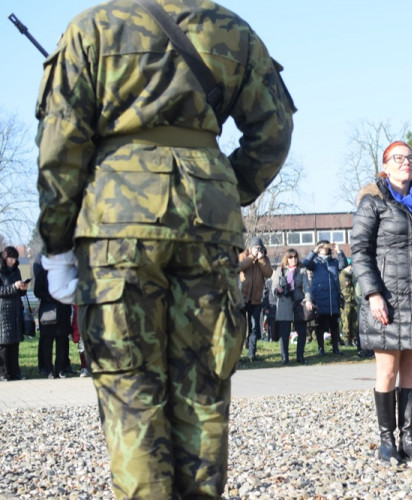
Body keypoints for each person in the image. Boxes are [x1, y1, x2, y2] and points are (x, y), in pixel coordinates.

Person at [35, 1, 294, 497]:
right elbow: (274, 130)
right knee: (203, 390)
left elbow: (60, 146)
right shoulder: (231, 28)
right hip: (207, 226)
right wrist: (218, 189)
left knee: (129, 391)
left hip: (117, 225)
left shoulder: (93, 26)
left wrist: (56, 244)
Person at [350, 140, 412, 464]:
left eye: (410, 157)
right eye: (398, 158)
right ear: (386, 164)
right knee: (388, 368)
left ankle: (408, 440)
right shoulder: (373, 202)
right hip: (387, 300)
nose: (406, 162)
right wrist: (373, 293)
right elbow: (360, 252)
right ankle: (386, 442)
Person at [302, 240, 347, 355]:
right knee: (320, 325)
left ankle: (335, 348)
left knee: (334, 325)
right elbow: (305, 263)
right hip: (319, 298)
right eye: (321, 246)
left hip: (332, 298)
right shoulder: (315, 262)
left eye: (326, 246)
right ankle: (321, 348)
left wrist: (339, 251)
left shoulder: (334, 262)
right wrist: (314, 251)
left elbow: (344, 265)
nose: (324, 248)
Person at [33, 255, 73, 379]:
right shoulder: (42, 273)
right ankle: (49, 369)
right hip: (48, 312)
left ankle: (60, 369)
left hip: (62, 311)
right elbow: (37, 291)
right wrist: (50, 296)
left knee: (62, 342)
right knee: (47, 343)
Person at [271, 249, 312, 365]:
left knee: (302, 332)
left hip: (298, 303)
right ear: (286, 258)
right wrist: (277, 290)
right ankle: (285, 357)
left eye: (295, 257)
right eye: (290, 257)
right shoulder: (280, 270)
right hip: (284, 303)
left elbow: (307, 288)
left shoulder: (302, 270)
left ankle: (300, 356)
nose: (293, 259)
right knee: (284, 333)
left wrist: (308, 300)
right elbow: (273, 287)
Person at [239, 237, 274, 361]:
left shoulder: (264, 259)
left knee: (254, 328)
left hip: (256, 299)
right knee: (241, 328)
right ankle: (237, 355)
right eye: (255, 248)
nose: (258, 250)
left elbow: (269, 273)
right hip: (242, 298)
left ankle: (251, 354)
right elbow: (239, 267)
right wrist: (251, 257)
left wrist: (261, 259)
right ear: (250, 248)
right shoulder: (243, 256)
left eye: (259, 247)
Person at [0, 247, 29, 381]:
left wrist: (23, 288)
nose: (13, 261)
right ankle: (4, 373)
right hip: (3, 311)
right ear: (5, 258)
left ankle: (15, 372)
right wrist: (13, 287)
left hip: (16, 310)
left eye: (15, 258)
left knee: (15, 343)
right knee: (5, 344)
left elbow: (19, 291)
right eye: (11, 258)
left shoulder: (17, 270)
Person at [339, 258, 358, 347]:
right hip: (346, 301)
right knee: (346, 321)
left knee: (354, 321)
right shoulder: (343, 275)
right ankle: (346, 339)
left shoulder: (351, 275)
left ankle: (354, 338)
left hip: (353, 300)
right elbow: (347, 284)